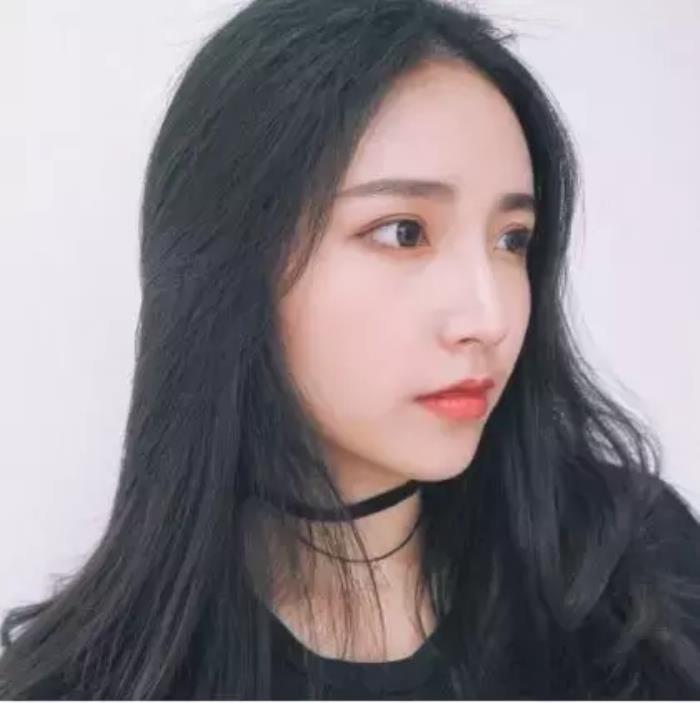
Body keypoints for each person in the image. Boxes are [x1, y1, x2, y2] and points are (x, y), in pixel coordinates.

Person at [2, 0, 699, 698]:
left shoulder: (631, 573)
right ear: (232, 264)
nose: (489, 317)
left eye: (512, 239)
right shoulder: (93, 685)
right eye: (404, 232)